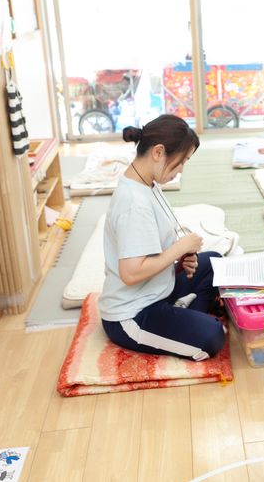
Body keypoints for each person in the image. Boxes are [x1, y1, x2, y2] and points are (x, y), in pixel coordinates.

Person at [99, 114, 225, 361]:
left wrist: (179, 261)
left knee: (215, 262)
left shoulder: (147, 183)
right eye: (180, 162)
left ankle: (183, 312)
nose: (181, 170)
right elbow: (131, 273)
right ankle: (187, 315)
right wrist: (179, 248)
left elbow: (150, 250)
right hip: (133, 314)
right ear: (158, 152)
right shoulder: (134, 204)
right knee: (213, 335)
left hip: (158, 290)